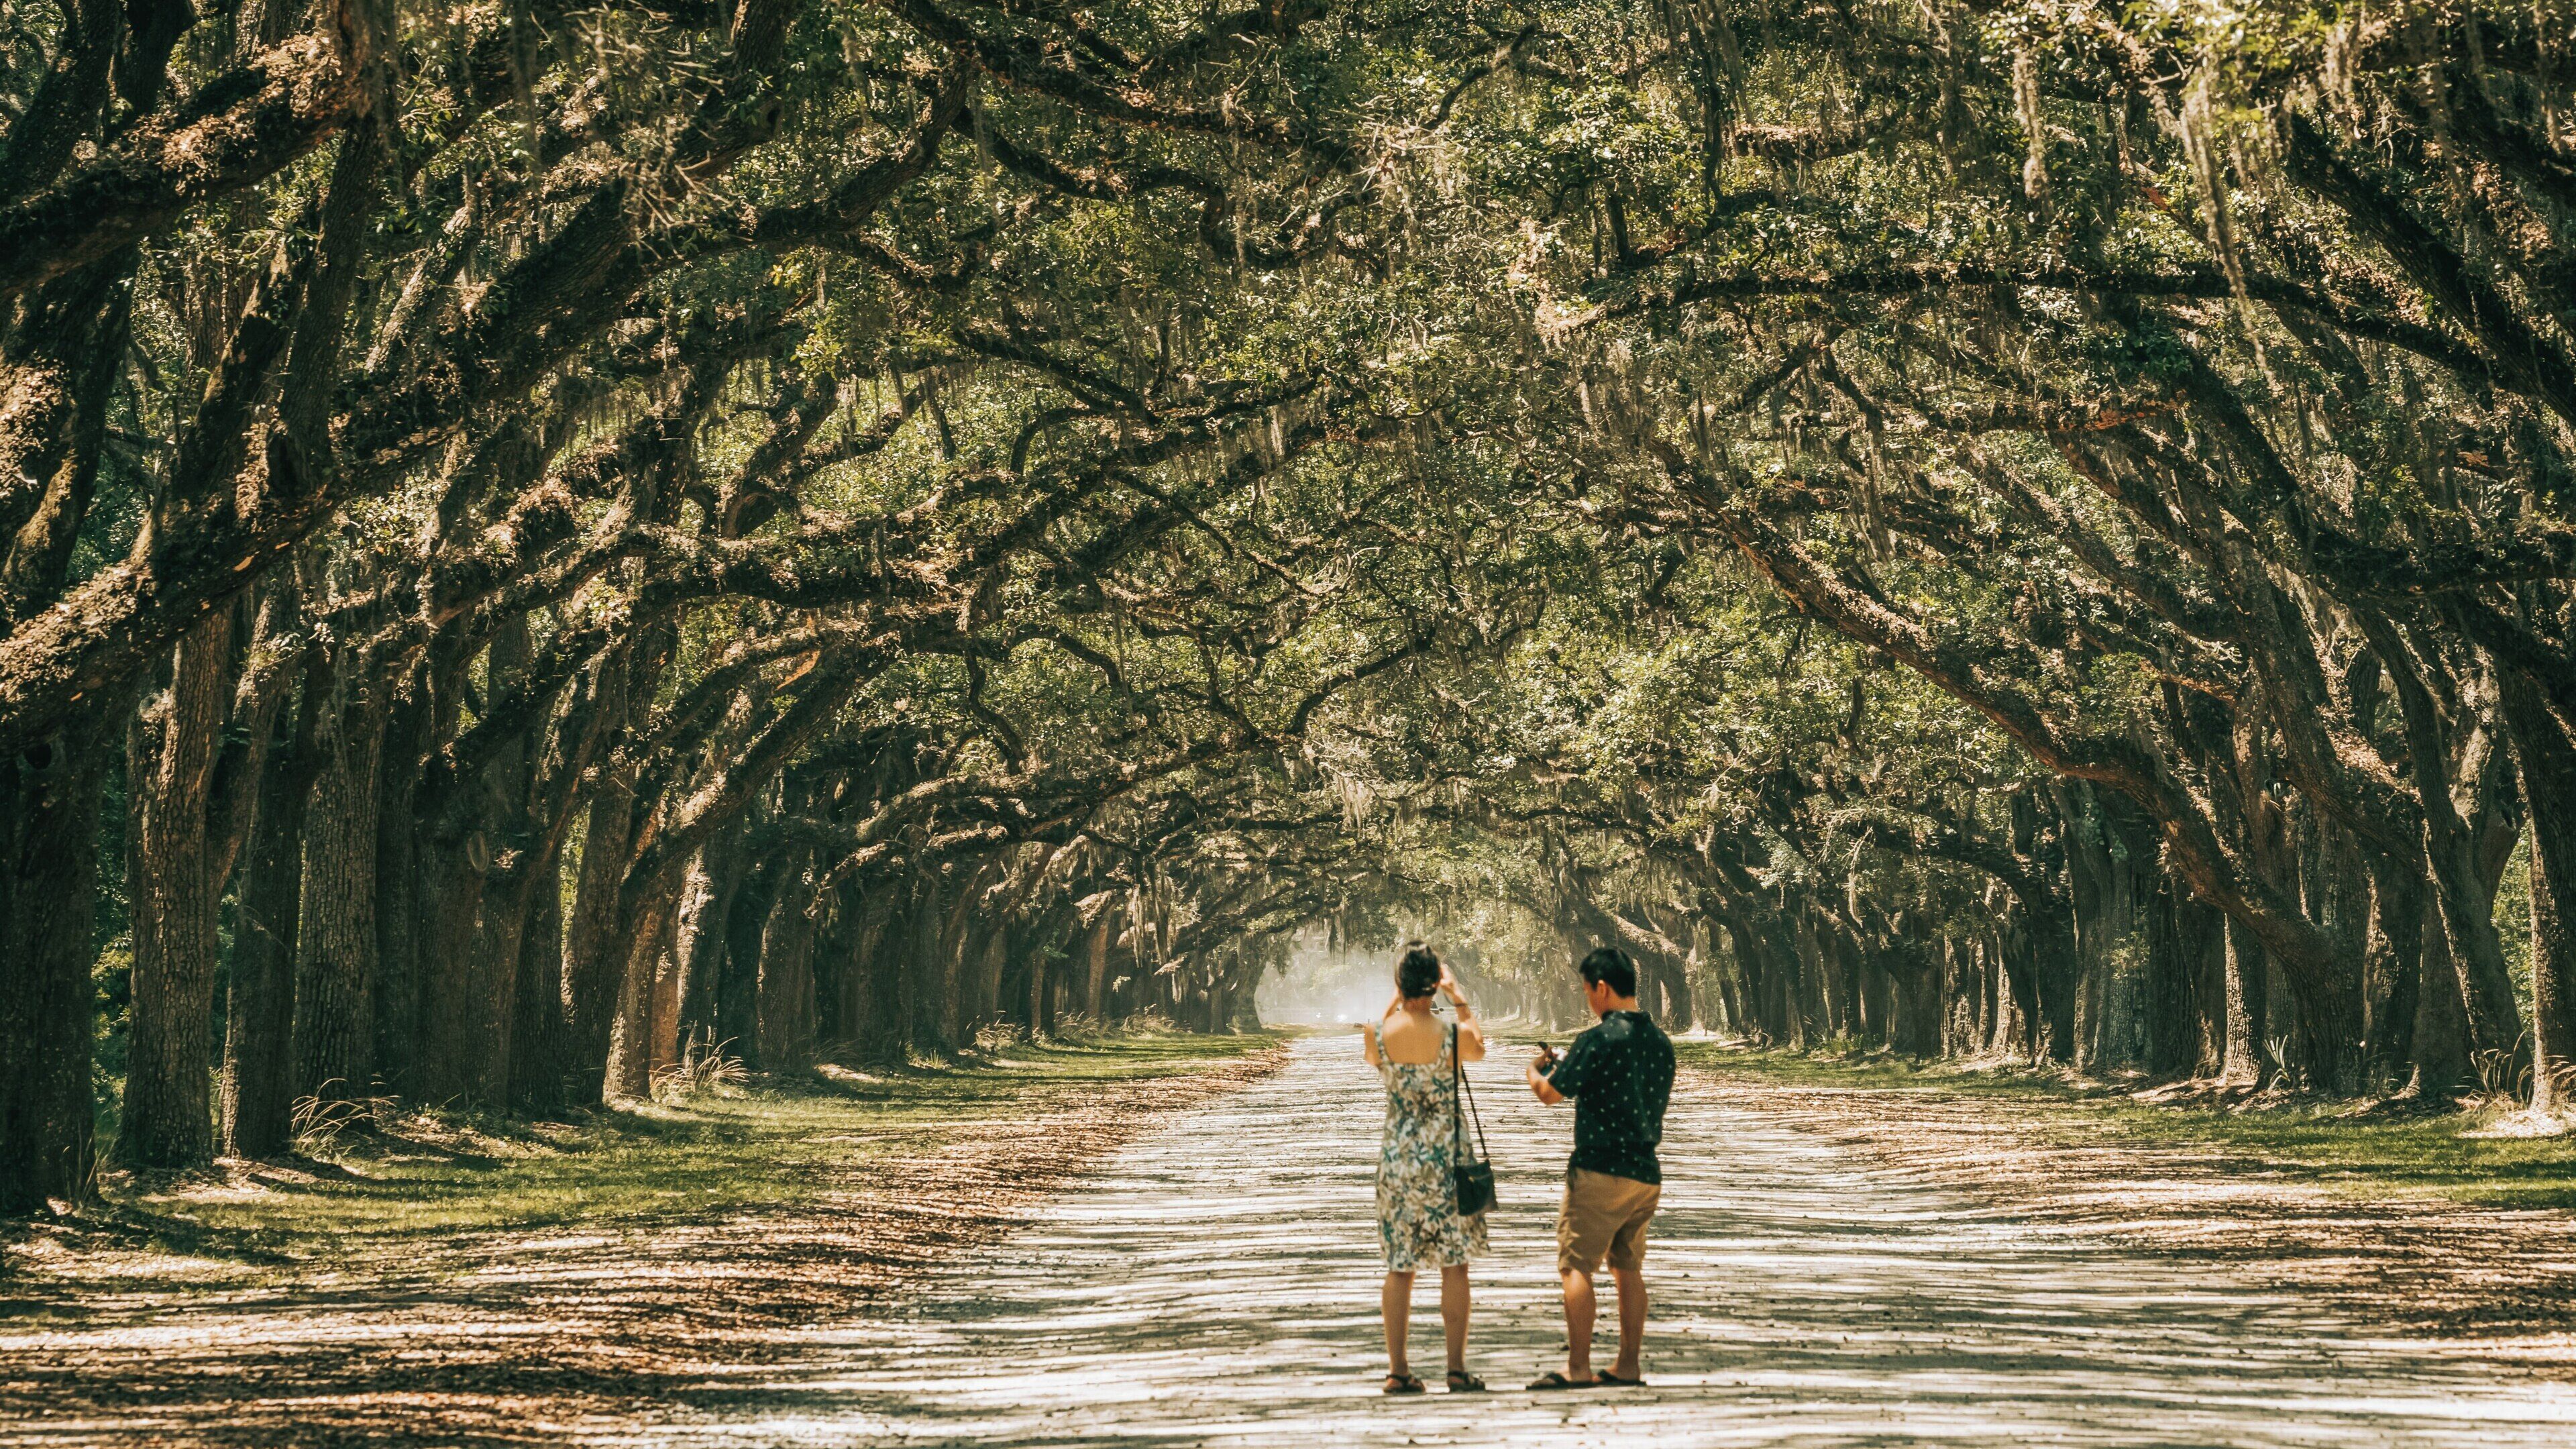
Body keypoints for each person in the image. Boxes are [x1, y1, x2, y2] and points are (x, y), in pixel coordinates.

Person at [1523, 946, 1674, 1390]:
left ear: (1603, 988)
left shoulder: (1598, 1038)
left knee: (1577, 1266)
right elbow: (1624, 1087)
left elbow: (1550, 1094)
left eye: (1587, 990)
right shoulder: (1660, 1043)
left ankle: (1578, 1369)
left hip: (1598, 1171)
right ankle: (1628, 1365)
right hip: (1645, 1174)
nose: (1588, 999)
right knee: (1627, 1266)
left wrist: (1535, 1071)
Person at [1362, 942, 1489, 1393]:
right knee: (1454, 1266)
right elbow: (1480, 1048)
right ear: (1435, 982)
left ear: (1399, 983)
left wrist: (1399, 997)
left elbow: (1377, 1039)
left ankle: (1398, 1371)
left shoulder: (1377, 1036)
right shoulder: (1453, 1038)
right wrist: (1457, 997)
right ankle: (1455, 1369)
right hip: (1447, 1161)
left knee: (1400, 1267)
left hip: (1399, 1163)